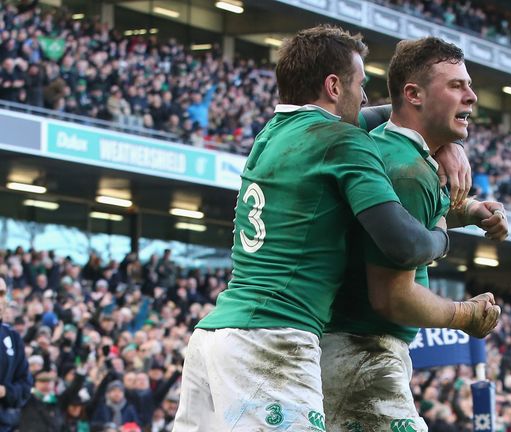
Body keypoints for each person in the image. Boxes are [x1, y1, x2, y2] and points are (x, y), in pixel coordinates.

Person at [174, 25, 473, 431]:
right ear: (334, 86)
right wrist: (441, 231)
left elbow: (391, 116)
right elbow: (403, 244)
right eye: (360, 83)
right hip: (271, 339)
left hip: (215, 337)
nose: (366, 96)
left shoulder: (273, 133)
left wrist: (446, 140)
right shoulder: (341, 142)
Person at [321, 37, 509, 431]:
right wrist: (464, 315)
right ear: (413, 95)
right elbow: (392, 298)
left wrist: (471, 209)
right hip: (362, 350)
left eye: (469, 85)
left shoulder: (392, 148)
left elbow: (405, 212)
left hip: (349, 347)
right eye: (456, 86)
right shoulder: (408, 168)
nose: (472, 97)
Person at [0, 276, 32, 432]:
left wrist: (5, 391)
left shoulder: (12, 337)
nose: (3, 300)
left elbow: (25, 385)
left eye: (3, 293)